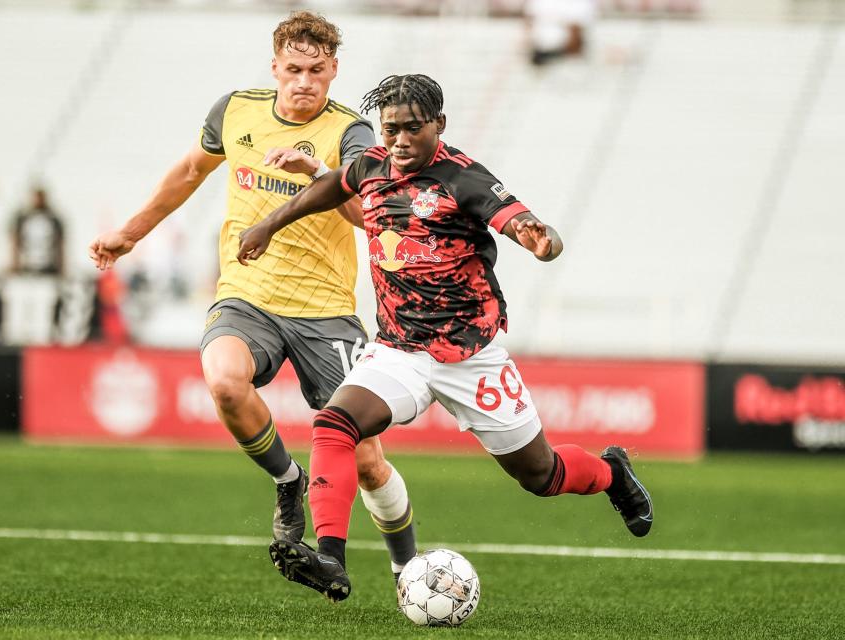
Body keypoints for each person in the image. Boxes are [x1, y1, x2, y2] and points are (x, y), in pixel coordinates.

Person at [238, 74, 654, 602]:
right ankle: (330, 558)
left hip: (471, 355)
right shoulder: (371, 166)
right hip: (398, 350)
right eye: (391, 130)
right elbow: (334, 186)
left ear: (439, 124)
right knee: (334, 425)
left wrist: (540, 239)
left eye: (413, 128)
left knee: (541, 475)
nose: (401, 141)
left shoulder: (465, 179)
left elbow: (519, 220)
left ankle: (611, 473)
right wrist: (270, 223)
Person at [88, 12, 418, 578]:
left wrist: (323, 174)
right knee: (223, 381)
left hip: (325, 309)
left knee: (365, 457)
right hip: (248, 295)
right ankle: (289, 482)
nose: (305, 81)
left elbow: (371, 216)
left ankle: (407, 567)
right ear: (274, 67)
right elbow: (190, 171)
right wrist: (131, 232)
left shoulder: (352, 134)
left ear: (334, 70)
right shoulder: (235, 111)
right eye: (294, 69)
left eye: (317, 70)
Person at [12, 185, 65, 276]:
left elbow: (60, 244)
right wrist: (15, 264)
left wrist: (62, 267)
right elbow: (15, 241)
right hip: (27, 267)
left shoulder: (53, 219)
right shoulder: (23, 218)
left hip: (49, 268)